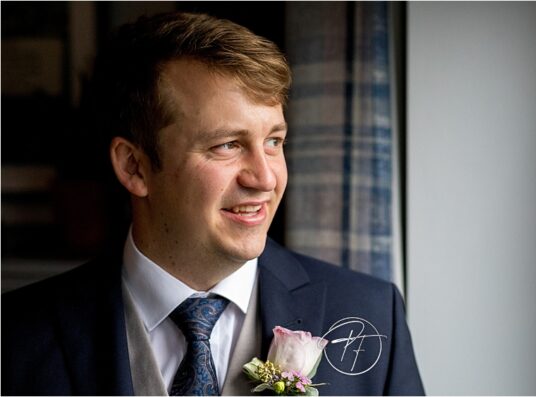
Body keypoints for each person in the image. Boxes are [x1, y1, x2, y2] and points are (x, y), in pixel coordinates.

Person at [1, 12, 424, 396]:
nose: (265, 178)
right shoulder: (17, 337)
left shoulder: (371, 313)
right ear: (135, 167)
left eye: (274, 142)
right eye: (227, 145)